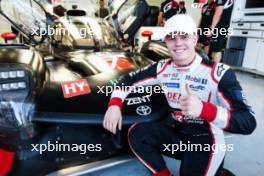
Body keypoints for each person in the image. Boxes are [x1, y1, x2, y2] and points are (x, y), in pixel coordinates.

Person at [103, 14, 256, 176]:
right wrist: (114, 105)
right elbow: (127, 80)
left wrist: (204, 109)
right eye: (171, 37)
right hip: (180, 135)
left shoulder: (219, 73)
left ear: (195, 39)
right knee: (138, 134)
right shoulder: (162, 68)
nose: (178, 43)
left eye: (184, 36)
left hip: (207, 141)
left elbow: (248, 122)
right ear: (165, 41)